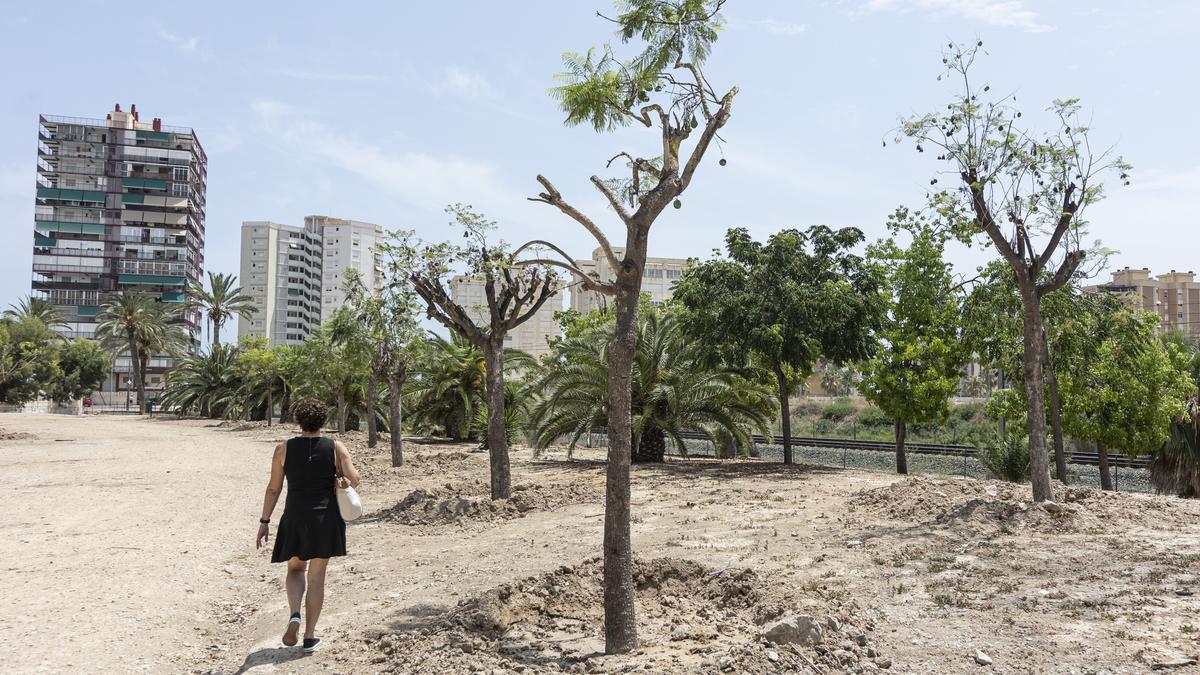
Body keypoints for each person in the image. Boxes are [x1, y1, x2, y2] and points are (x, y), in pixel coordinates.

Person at [255, 398, 360, 653]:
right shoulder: (336, 448)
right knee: (317, 578)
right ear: (324, 420)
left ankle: (294, 614)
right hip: (325, 519)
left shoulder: (283, 449)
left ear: (297, 420)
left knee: (294, 569)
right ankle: (310, 636)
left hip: (295, 516)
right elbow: (354, 479)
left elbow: (274, 488)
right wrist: (341, 479)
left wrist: (264, 521)